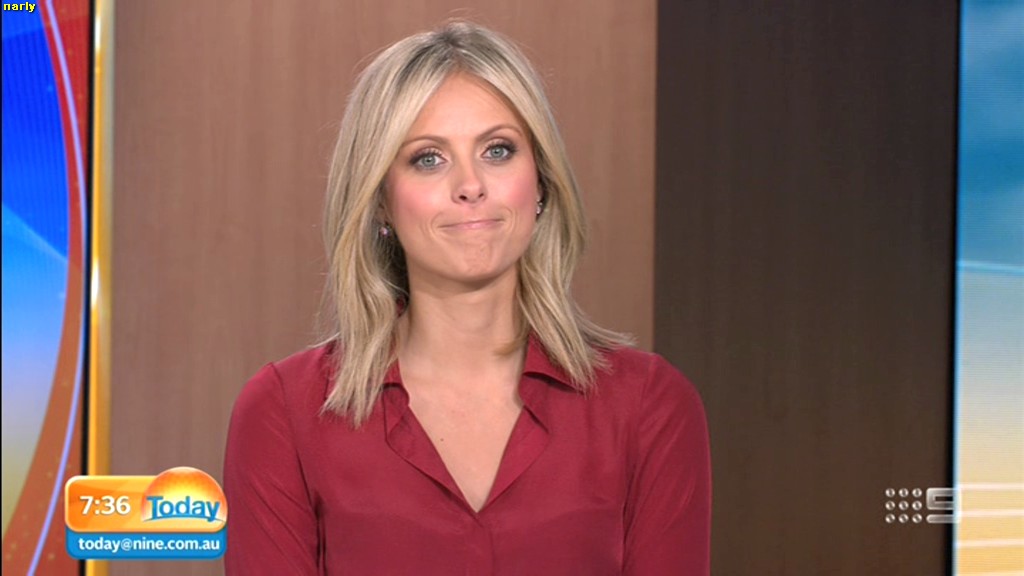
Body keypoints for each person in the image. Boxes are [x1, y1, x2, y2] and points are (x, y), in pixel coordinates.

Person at [224, 20, 710, 575]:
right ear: (379, 199)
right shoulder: (284, 414)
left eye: (498, 150)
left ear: (540, 181)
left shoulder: (649, 407)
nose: (471, 185)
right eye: (428, 158)